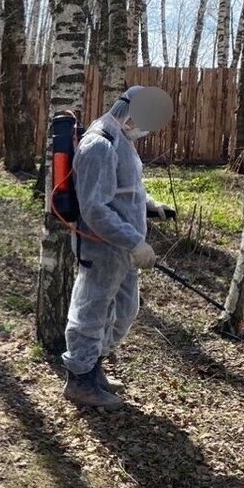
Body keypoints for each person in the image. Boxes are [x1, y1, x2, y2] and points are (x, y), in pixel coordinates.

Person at [63, 86, 174, 410]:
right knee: (91, 311)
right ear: (129, 113)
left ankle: (94, 367)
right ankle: (79, 380)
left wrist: (151, 205)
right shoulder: (99, 144)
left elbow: (126, 188)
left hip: (123, 249)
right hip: (102, 247)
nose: (146, 129)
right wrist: (135, 242)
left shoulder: (122, 140)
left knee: (124, 310)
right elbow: (95, 209)